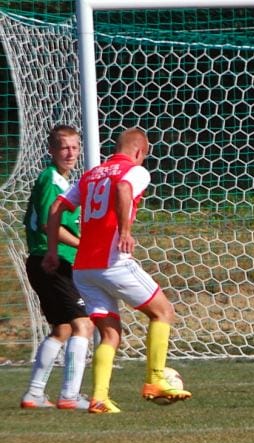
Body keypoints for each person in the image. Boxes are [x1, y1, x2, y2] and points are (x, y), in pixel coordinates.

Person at [42, 127, 192, 413]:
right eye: (143, 156)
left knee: (110, 334)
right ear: (139, 152)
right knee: (163, 312)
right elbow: (123, 188)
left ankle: (99, 398)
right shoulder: (135, 171)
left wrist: (52, 250)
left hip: (83, 269)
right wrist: (125, 231)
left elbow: (56, 208)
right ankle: (156, 378)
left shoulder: (90, 175)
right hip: (113, 262)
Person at [19, 125, 94, 410]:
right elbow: (48, 223)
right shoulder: (50, 179)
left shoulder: (63, 182)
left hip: (44, 262)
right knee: (82, 324)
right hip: (52, 261)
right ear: (51, 151)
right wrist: (83, 245)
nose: (70, 152)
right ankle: (70, 396)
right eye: (64, 147)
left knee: (62, 329)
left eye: (75, 147)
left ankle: (34, 394)